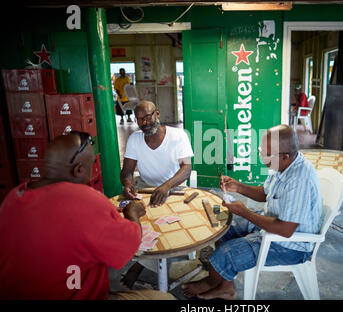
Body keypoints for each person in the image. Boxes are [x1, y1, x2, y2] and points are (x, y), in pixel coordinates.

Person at [0, 132, 174, 300]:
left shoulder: (13, 197)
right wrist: (132, 213)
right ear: (78, 170)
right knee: (165, 298)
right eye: (92, 164)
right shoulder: (86, 201)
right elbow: (130, 245)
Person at [181, 124, 322, 300]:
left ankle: (212, 282)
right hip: (275, 225)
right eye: (261, 150)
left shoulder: (299, 179)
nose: (262, 156)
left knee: (226, 253)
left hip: (292, 245)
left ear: (285, 156)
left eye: (266, 154)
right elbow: (265, 193)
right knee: (224, 224)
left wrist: (245, 212)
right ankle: (226, 287)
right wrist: (238, 186)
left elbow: (286, 230)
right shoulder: (282, 166)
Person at [120, 100, 194, 289]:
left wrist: (166, 187)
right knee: (139, 222)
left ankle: (138, 266)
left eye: (147, 117)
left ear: (157, 114)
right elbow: (127, 170)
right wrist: (128, 184)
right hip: (145, 187)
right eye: (139, 119)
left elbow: (186, 169)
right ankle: (145, 261)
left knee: (169, 225)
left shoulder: (178, 136)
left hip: (175, 188)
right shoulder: (135, 139)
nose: (144, 122)